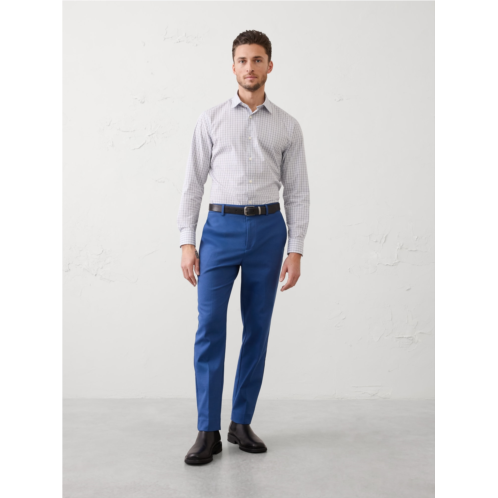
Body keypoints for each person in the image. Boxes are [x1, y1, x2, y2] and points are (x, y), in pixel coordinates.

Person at [177, 30, 310, 465]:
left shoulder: (287, 125)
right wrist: (187, 242)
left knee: (257, 328)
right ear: (232, 66)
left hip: (269, 231)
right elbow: (192, 185)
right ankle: (207, 430)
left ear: (270, 65)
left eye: (257, 60)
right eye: (242, 60)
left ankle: (241, 422)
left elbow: (298, 192)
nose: (249, 67)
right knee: (209, 327)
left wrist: (295, 249)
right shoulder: (211, 119)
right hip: (219, 229)